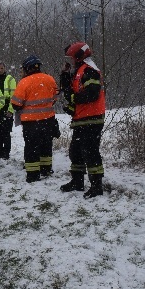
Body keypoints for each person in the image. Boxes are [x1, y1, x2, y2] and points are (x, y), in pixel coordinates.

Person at [60, 42, 106, 198]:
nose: (72, 61)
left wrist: (74, 98)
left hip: (92, 119)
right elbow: (69, 92)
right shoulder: (79, 71)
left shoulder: (90, 71)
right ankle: (77, 181)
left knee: (90, 152)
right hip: (81, 119)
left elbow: (92, 94)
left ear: (80, 56)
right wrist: (64, 76)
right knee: (76, 152)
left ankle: (97, 185)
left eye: (73, 58)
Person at [10, 55, 59, 182]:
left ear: (27, 68)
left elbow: (16, 104)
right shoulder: (50, 79)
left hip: (31, 122)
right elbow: (54, 98)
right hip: (48, 120)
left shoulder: (24, 82)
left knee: (32, 147)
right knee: (46, 145)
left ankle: (33, 174)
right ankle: (46, 169)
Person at [0, 61, 17, 159]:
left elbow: (14, 96)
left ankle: (6, 153)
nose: (0, 70)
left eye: (2, 68)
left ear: (5, 68)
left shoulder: (10, 79)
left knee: (6, 132)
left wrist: (10, 110)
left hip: (7, 108)